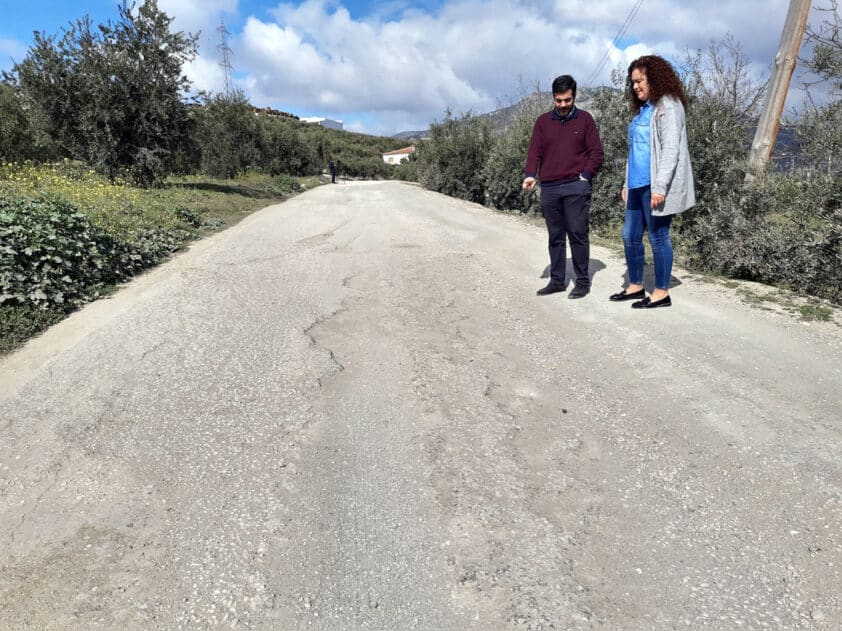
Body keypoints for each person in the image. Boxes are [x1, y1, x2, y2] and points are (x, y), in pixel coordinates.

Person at [610, 55, 695, 309]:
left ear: (654, 79)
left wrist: (660, 187)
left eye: (640, 81)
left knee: (658, 236)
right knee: (629, 235)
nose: (635, 86)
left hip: (654, 185)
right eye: (633, 82)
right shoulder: (643, 110)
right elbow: (634, 151)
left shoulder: (669, 105)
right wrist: (626, 184)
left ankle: (661, 292)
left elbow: (670, 149)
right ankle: (635, 286)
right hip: (636, 185)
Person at [523, 74, 604, 299]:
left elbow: (596, 153)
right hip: (549, 188)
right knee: (555, 236)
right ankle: (557, 281)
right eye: (558, 100)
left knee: (577, 234)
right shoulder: (542, 122)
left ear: (574, 97)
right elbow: (534, 152)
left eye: (567, 100)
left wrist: (586, 176)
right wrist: (530, 174)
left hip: (576, 186)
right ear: (553, 98)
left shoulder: (585, 120)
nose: (562, 105)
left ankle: (582, 282)